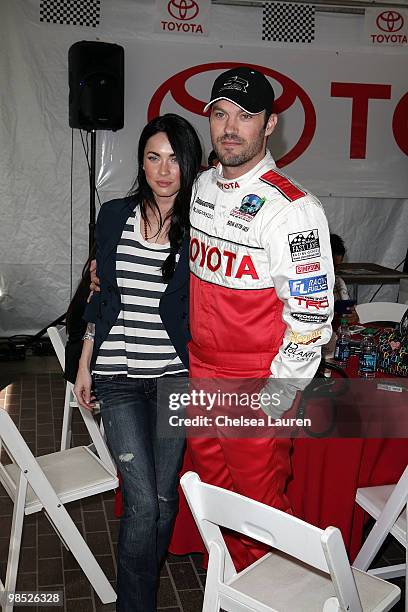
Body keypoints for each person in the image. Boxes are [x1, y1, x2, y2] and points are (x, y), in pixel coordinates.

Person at [186, 66, 335, 569]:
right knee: (213, 500)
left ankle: (279, 595)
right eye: (221, 114)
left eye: (246, 116)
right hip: (202, 373)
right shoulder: (203, 185)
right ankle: (229, 593)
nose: (230, 127)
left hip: (256, 384)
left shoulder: (293, 209)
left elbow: (312, 315)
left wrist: (277, 398)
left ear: (269, 125)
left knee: (262, 510)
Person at [73, 114, 202, 612]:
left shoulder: (203, 229)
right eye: (153, 157)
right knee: (143, 501)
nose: (164, 169)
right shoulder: (113, 214)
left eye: (174, 158)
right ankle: (136, 604)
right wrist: (86, 360)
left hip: (176, 378)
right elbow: (100, 297)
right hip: (118, 376)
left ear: (189, 164)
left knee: (165, 501)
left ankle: (142, 587)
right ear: (141, 163)